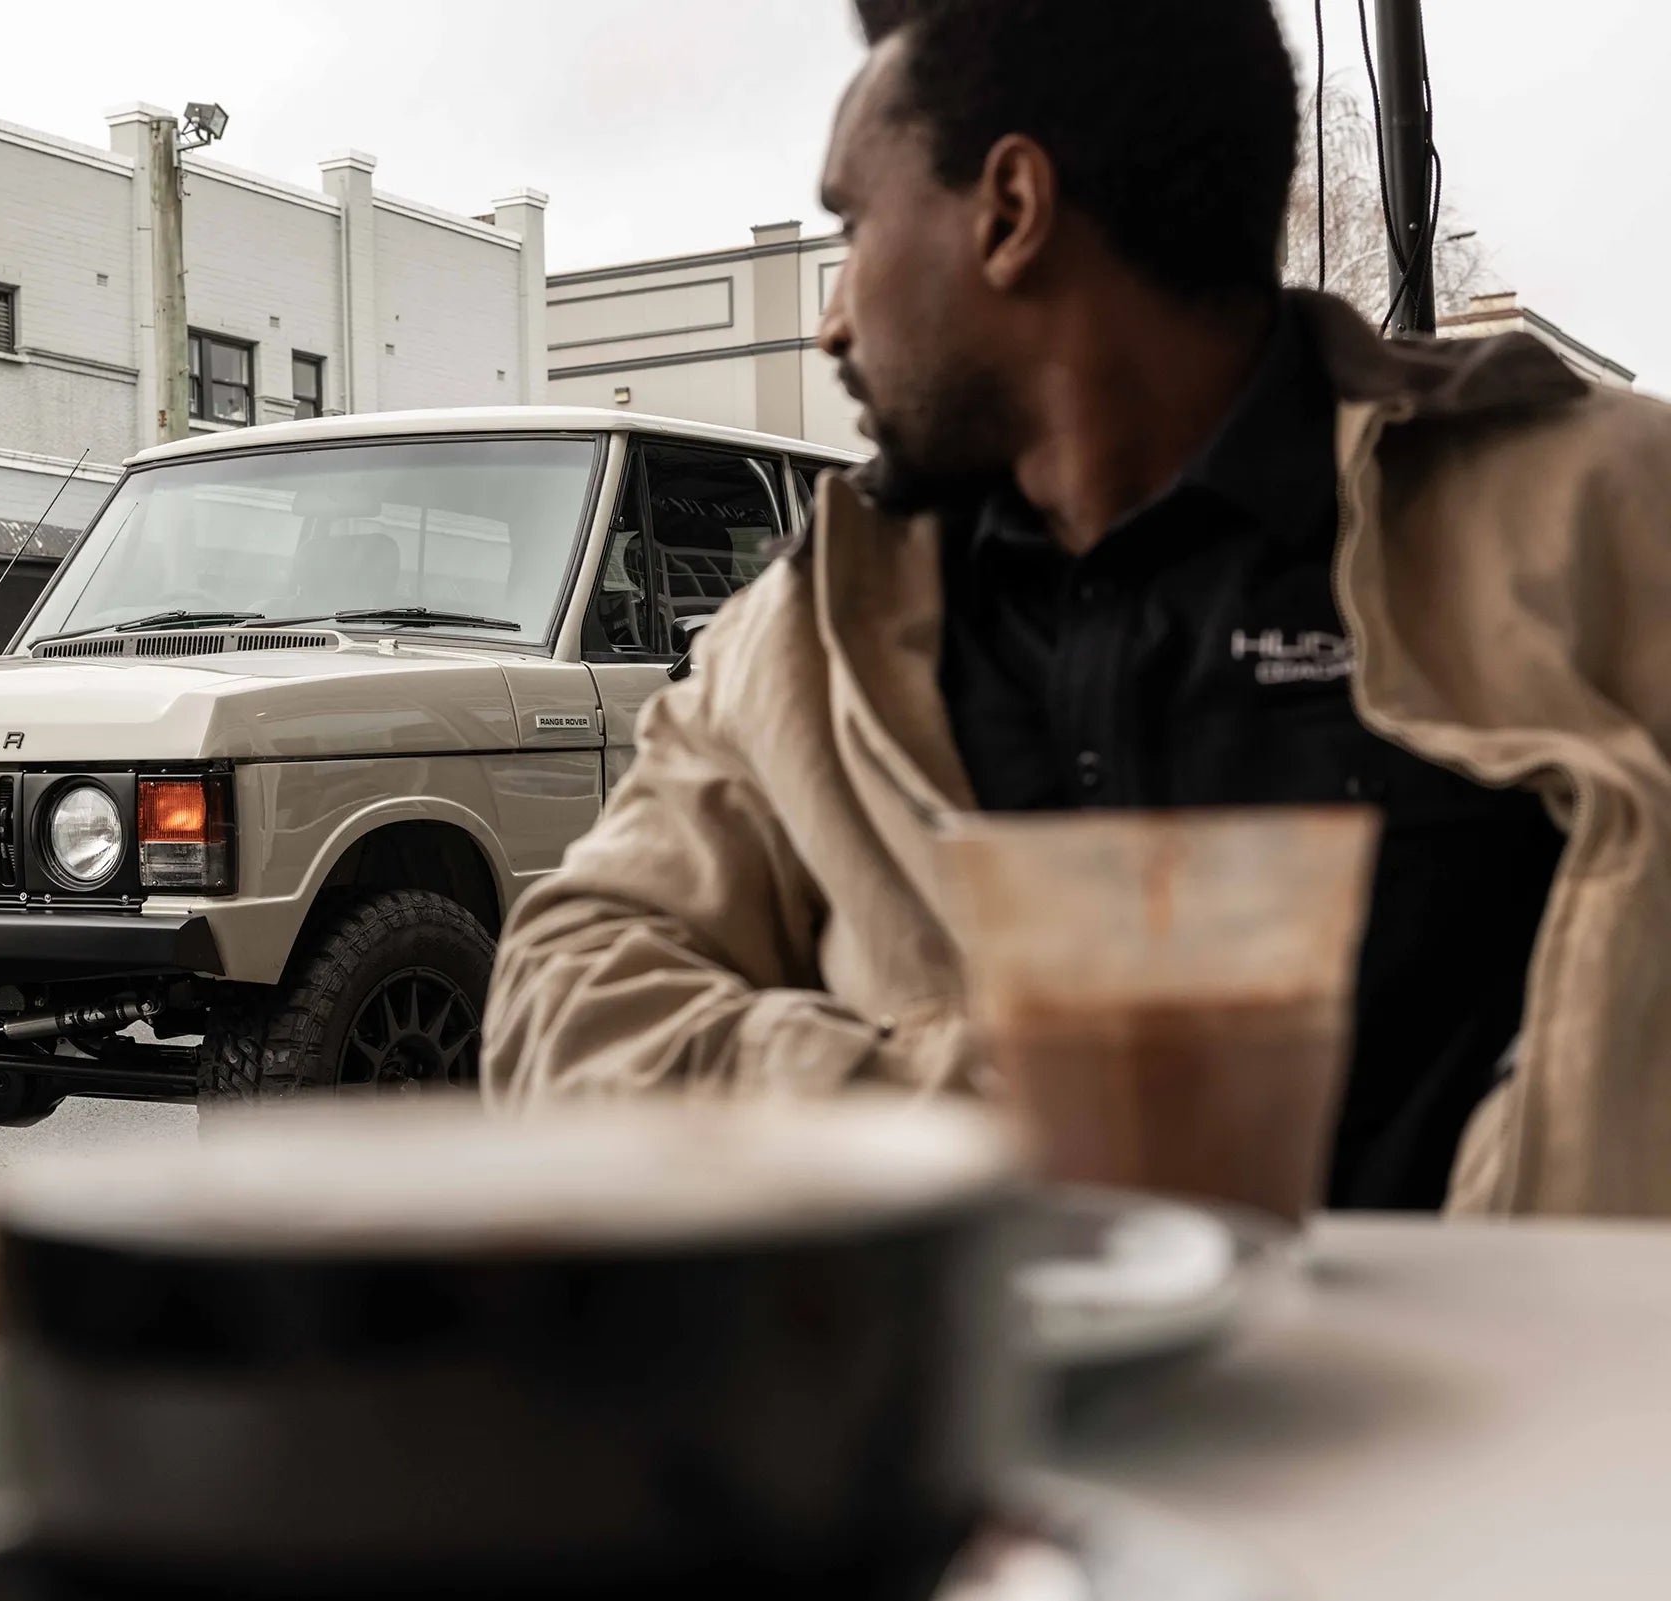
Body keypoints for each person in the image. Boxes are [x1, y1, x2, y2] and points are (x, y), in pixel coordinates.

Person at [484, 0, 1671, 1216]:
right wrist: (981, 1120)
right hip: (977, 1403)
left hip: (1534, 1400)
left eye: (852, 225)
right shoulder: (810, 630)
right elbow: (557, 990)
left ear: (1009, 212)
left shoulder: (1607, 519)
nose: (833, 315)